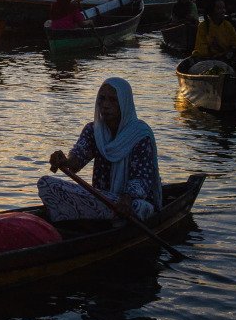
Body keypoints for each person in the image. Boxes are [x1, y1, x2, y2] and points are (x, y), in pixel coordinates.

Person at [39, 78, 162, 222]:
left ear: (124, 103)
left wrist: (127, 198)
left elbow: (142, 178)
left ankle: (89, 217)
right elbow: (77, 161)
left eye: (112, 100)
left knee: (137, 207)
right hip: (103, 199)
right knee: (46, 184)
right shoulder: (93, 130)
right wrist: (64, 161)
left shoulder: (140, 134)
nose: (105, 105)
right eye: (102, 99)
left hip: (134, 202)